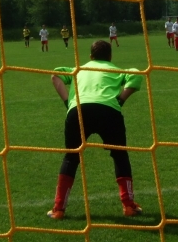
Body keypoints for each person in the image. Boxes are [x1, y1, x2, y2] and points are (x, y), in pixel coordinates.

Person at [47, 40, 144, 220]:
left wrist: (68, 102)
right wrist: (121, 100)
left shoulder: (79, 70)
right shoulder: (115, 70)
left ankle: (59, 209)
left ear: (90, 57)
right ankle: (129, 206)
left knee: (71, 157)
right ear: (110, 56)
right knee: (120, 155)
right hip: (109, 111)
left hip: (78, 111)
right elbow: (136, 74)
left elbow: (55, 75)